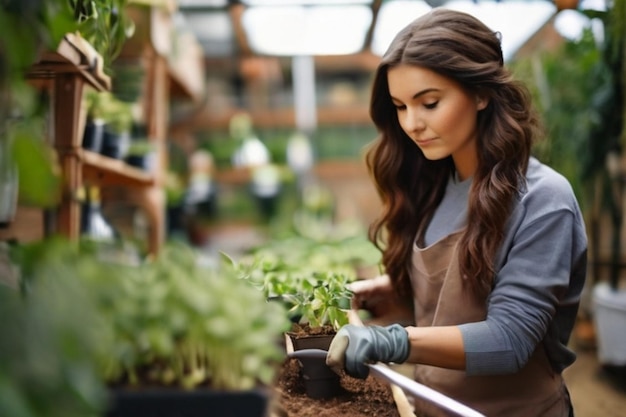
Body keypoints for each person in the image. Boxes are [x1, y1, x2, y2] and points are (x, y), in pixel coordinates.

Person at [325, 8, 587, 417]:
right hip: (431, 406)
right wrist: (396, 293)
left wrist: (394, 341)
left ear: (481, 94)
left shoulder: (543, 200)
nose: (412, 124)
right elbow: (459, 300)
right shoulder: (431, 184)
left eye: (429, 102)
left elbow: (510, 340)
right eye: (399, 106)